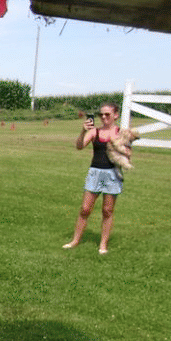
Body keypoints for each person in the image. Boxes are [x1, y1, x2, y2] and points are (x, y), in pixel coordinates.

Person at [62, 102, 124, 254]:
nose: (103, 117)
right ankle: (75, 240)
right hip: (95, 173)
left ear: (115, 115)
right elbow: (79, 146)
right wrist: (83, 131)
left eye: (107, 114)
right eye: (101, 114)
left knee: (107, 210)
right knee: (85, 209)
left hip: (113, 174)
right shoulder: (94, 132)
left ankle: (103, 245)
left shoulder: (121, 132)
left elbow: (126, 154)